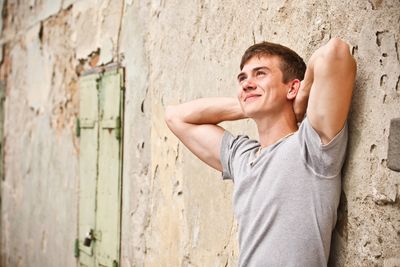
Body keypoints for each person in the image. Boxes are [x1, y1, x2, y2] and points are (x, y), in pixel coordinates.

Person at [165, 37, 356, 267]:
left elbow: (336, 53)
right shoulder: (242, 158)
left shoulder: (311, 147)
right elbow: (175, 117)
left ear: (292, 87)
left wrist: (302, 95)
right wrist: (248, 103)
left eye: (260, 74)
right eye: (242, 78)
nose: (247, 83)